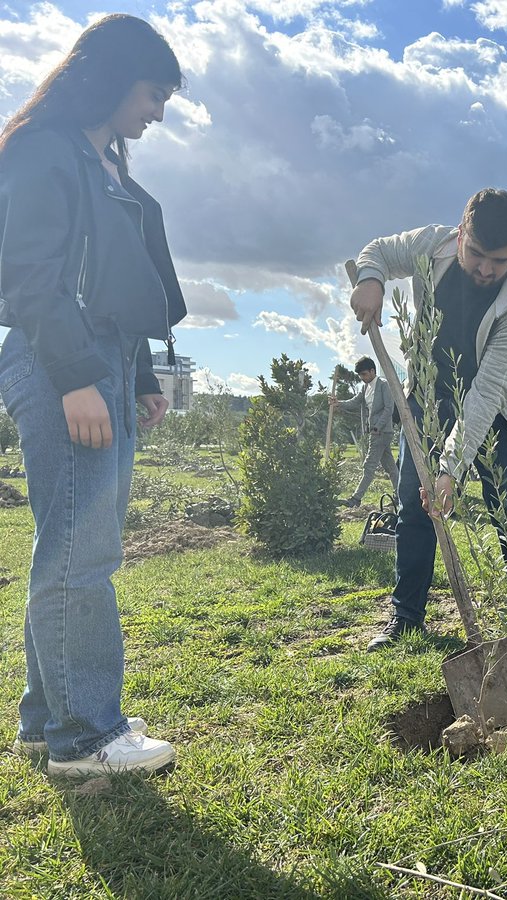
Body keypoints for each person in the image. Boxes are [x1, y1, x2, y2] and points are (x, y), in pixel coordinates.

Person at [0, 15, 186, 774]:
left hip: (103, 357)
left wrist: (135, 377)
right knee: (83, 550)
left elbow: (120, 286)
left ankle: (48, 721)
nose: (158, 112)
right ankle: (88, 737)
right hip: (60, 360)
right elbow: (34, 275)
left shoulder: (103, 162)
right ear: (110, 77)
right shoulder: (46, 151)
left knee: (71, 544)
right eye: (152, 92)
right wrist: (78, 378)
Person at [349, 189, 507, 652]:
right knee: (414, 507)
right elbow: (380, 252)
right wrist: (372, 278)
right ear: (460, 232)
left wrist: (450, 469)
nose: (486, 269)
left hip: (499, 409)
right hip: (427, 399)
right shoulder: (431, 244)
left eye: (500, 261)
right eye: (477, 254)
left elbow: (486, 392)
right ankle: (406, 617)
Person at [329, 355, 399, 507]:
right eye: (360, 375)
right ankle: (401, 496)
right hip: (374, 432)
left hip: (381, 432)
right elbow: (355, 402)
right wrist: (338, 403)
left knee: (369, 465)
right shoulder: (365, 387)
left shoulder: (383, 385)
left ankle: (356, 499)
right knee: (391, 467)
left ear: (372, 371)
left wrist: (377, 427)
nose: (362, 377)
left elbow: (389, 409)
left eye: (364, 374)